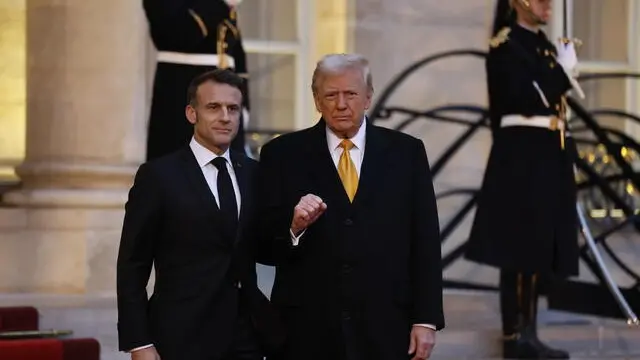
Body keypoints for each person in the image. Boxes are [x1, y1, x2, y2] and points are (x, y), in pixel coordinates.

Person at [254, 53, 444, 360]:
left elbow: (425, 241)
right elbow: (261, 244)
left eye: (351, 94)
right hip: (306, 331)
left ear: (368, 97)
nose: (341, 104)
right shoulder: (282, 155)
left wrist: (426, 319)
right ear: (316, 100)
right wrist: (293, 227)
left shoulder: (406, 153)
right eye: (331, 95)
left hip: (386, 327)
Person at [117, 69, 282, 360]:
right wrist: (139, 342)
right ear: (192, 113)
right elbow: (132, 265)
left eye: (233, 108)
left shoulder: (254, 174)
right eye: (213, 107)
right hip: (180, 337)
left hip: (246, 338)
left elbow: (262, 248)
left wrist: (294, 229)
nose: (225, 117)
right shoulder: (158, 176)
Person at [465, 0, 584, 358]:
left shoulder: (542, 45)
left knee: (537, 247)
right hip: (521, 156)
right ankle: (517, 336)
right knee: (520, 248)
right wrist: (563, 72)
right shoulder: (506, 45)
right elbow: (532, 95)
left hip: (546, 154)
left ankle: (527, 332)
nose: (548, 5)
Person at [143, 0, 250, 161]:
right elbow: (177, 35)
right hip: (182, 89)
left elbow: (235, 54)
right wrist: (221, 4)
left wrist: (243, 103)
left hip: (226, 92)